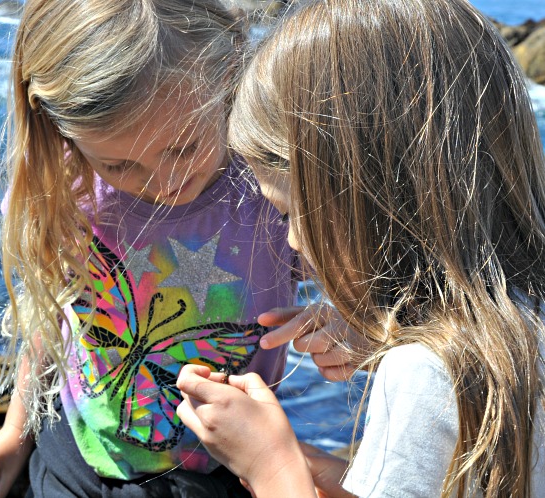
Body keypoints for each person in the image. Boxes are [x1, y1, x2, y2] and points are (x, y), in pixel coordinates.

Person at [0, 1, 357, 497]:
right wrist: (16, 433)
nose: (164, 184)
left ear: (230, 75)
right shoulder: (66, 185)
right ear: (65, 133)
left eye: (183, 148)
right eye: (120, 166)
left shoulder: (272, 192)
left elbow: (359, 294)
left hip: (217, 471)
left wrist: (345, 325)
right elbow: (53, 315)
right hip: (70, 460)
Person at [177, 0, 545, 496]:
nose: (289, 239)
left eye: (289, 211)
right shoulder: (523, 322)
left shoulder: (422, 374)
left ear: (367, 190)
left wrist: (271, 465)